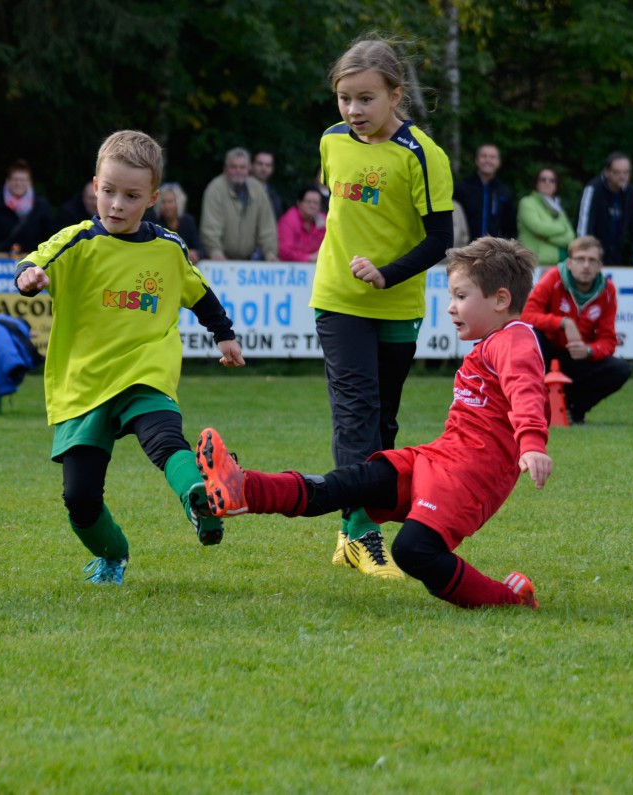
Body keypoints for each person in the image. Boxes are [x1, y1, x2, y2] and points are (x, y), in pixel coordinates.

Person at [196, 237, 550, 609]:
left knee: (414, 550)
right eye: (451, 297)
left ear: (500, 299)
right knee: (348, 484)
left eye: (461, 297)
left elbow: (525, 390)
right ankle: (242, 489)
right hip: (439, 459)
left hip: (467, 478)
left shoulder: (515, 341)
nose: (450, 308)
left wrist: (531, 444)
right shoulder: (494, 341)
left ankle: (507, 600)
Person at [14, 130, 246, 586]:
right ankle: (113, 554)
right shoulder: (76, 241)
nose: (116, 204)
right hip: (84, 381)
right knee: (80, 499)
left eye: (131, 195)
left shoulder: (168, 247)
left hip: (145, 370)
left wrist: (225, 335)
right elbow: (29, 264)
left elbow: (200, 295)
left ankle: (198, 498)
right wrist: (29, 279)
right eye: (108, 191)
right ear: (94, 186)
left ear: (153, 198)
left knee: (163, 440)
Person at [313, 36, 455, 578]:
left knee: (385, 424)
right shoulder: (331, 141)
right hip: (337, 300)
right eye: (345, 98)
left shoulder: (422, 154)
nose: (353, 111)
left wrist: (386, 274)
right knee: (357, 415)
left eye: (366, 99)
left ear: (396, 95)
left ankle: (357, 520)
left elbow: (440, 239)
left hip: (397, 305)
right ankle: (360, 532)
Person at [521, 235, 630, 424]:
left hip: (578, 357)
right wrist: (563, 323)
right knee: (532, 338)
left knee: (620, 370)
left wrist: (589, 351)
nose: (586, 265)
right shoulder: (553, 277)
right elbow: (527, 315)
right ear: (570, 263)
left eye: (592, 260)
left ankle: (574, 410)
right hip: (548, 353)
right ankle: (535, 408)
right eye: (580, 259)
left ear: (599, 266)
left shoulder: (607, 290)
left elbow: (608, 340)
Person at [577, 152, 633, 275]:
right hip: (592, 261)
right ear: (607, 172)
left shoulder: (630, 193)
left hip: (616, 259)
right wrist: (585, 258)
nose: (622, 177)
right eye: (617, 172)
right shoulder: (593, 189)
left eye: (626, 172)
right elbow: (584, 226)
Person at [199, 147, 278, 261]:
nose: (238, 171)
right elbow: (210, 228)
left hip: (251, 260)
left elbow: (267, 228)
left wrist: (270, 254)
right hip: (220, 259)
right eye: (233, 167)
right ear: (226, 169)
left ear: (249, 169)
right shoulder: (215, 189)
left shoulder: (258, 189)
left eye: (242, 167)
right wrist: (215, 252)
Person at [0, 159, 56, 255]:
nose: (19, 183)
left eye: (23, 180)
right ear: (8, 181)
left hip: (31, 261)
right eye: (15, 179)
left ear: (29, 182)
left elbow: (49, 234)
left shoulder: (40, 206)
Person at [454, 143, 516, 241]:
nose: (488, 160)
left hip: (494, 251)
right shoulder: (462, 188)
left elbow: (509, 226)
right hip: (466, 249)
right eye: (484, 156)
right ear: (477, 160)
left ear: (499, 162)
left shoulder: (504, 192)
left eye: (492, 157)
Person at [517, 167, 575, 266]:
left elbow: (571, 237)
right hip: (535, 265)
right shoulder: (527, 202)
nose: (547, 182)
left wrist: (546, 237)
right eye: (543, 179)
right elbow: (538, 228)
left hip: (560, 264)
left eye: (552, 180)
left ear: (556, 185)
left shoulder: (558, 208)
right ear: (536, 183)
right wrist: (562, 229)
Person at [154, 182, 201, 264]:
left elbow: (199, 248)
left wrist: (195, 253)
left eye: (170, 202)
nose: (166, 206)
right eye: (163, 202)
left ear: (178, 202)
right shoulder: (153, 220)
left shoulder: (188, 221)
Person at [277, 186, 326, 262]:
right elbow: (285, 252)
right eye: (308, 202)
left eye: (316, 203)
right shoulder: (289, 221)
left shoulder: (324, 221)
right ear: (299, 202)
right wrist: (309, 258)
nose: (312, 206)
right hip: (292, 269)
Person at [251, 150, 284, 220]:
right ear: (251, 166)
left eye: (268, 165)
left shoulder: (275, 198)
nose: (264, 168)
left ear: (272, 169)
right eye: (260, 164)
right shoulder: (238, 190)